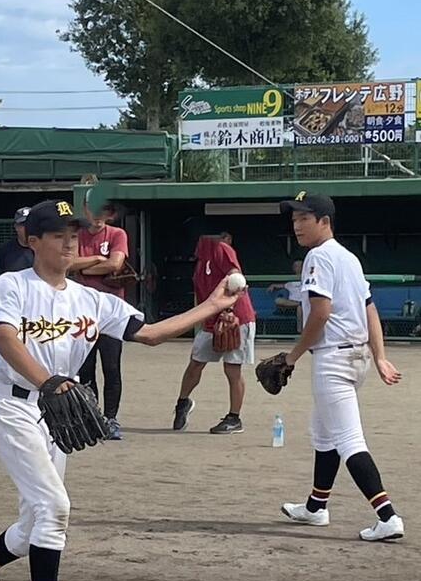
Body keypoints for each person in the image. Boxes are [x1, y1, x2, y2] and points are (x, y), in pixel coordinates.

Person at [0, 199, 240, 581]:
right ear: (32, 241)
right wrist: (47, 380)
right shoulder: (12, 286)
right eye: (58, 235)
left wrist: (211, 305)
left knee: (34, 521)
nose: (70, 243)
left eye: (74, 235)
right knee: (54, 508)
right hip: (14, 407)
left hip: (56, 411)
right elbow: (6, 340)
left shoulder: (91, 299)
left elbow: (151, 334)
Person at [277, 193, 403, 541]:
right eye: (294, 219)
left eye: (304, 218)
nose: (297, 225)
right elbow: (369, 309)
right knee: (324, 434)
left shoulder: (318, 257)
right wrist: (379, 356)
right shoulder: (349, 258)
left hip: (333, 359)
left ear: (324, 221)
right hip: (355, 357)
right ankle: (316, 507)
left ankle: (388, 516)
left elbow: (320, 314)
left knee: (348, 440)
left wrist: (291, 357)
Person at [173, 232, 257, 435]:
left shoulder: (220, 248)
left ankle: (234, 418)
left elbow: (237, 278)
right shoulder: (201, 261)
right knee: (195, 363)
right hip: (212, 320)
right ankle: (183, 403)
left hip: (236, 319)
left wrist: (229, 310)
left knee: (232, 369)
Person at [70, 205, 130, 439]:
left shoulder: (117, 234)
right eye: (94, 211)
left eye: (104, 212)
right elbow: (68, 264)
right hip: (82, 312)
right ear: (86, 211)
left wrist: (84, 269)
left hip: (111, 312)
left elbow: (115, 264)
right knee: (85, 368)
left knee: (111, 367)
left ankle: (111, 418)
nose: (98, 217)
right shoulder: (77, 235)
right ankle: (92, 418)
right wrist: (96, 259)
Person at [0, 207, 34, 276]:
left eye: (30, 224)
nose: (27, 228)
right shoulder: (4, 251)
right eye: (23, 225)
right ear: (16, 227)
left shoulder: (44, 249)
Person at [267, 260, 303, 332]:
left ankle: (299, 331)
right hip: (290, 304)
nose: (297, 267)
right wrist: (273, 285)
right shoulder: (291, 281)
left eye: (299, 265)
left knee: (300, 308)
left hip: (303, 305)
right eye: (295, 266)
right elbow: (282, 285)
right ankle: (299, 304)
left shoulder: (306, 279)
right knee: (278, 300)